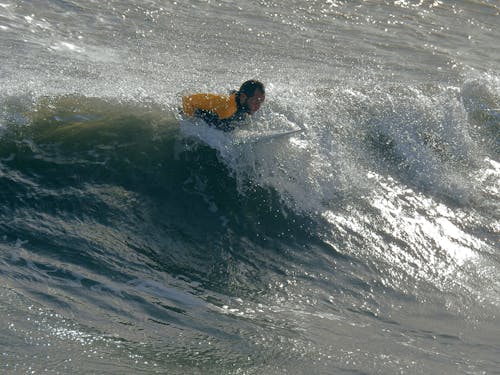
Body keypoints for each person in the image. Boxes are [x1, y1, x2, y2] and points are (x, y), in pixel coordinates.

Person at [182, 80, 265, 132]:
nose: (258, 106)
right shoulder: (228, 109)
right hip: (189, 105)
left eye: (261, 101)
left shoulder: (238, 98)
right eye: (255, 101)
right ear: (243, 96)